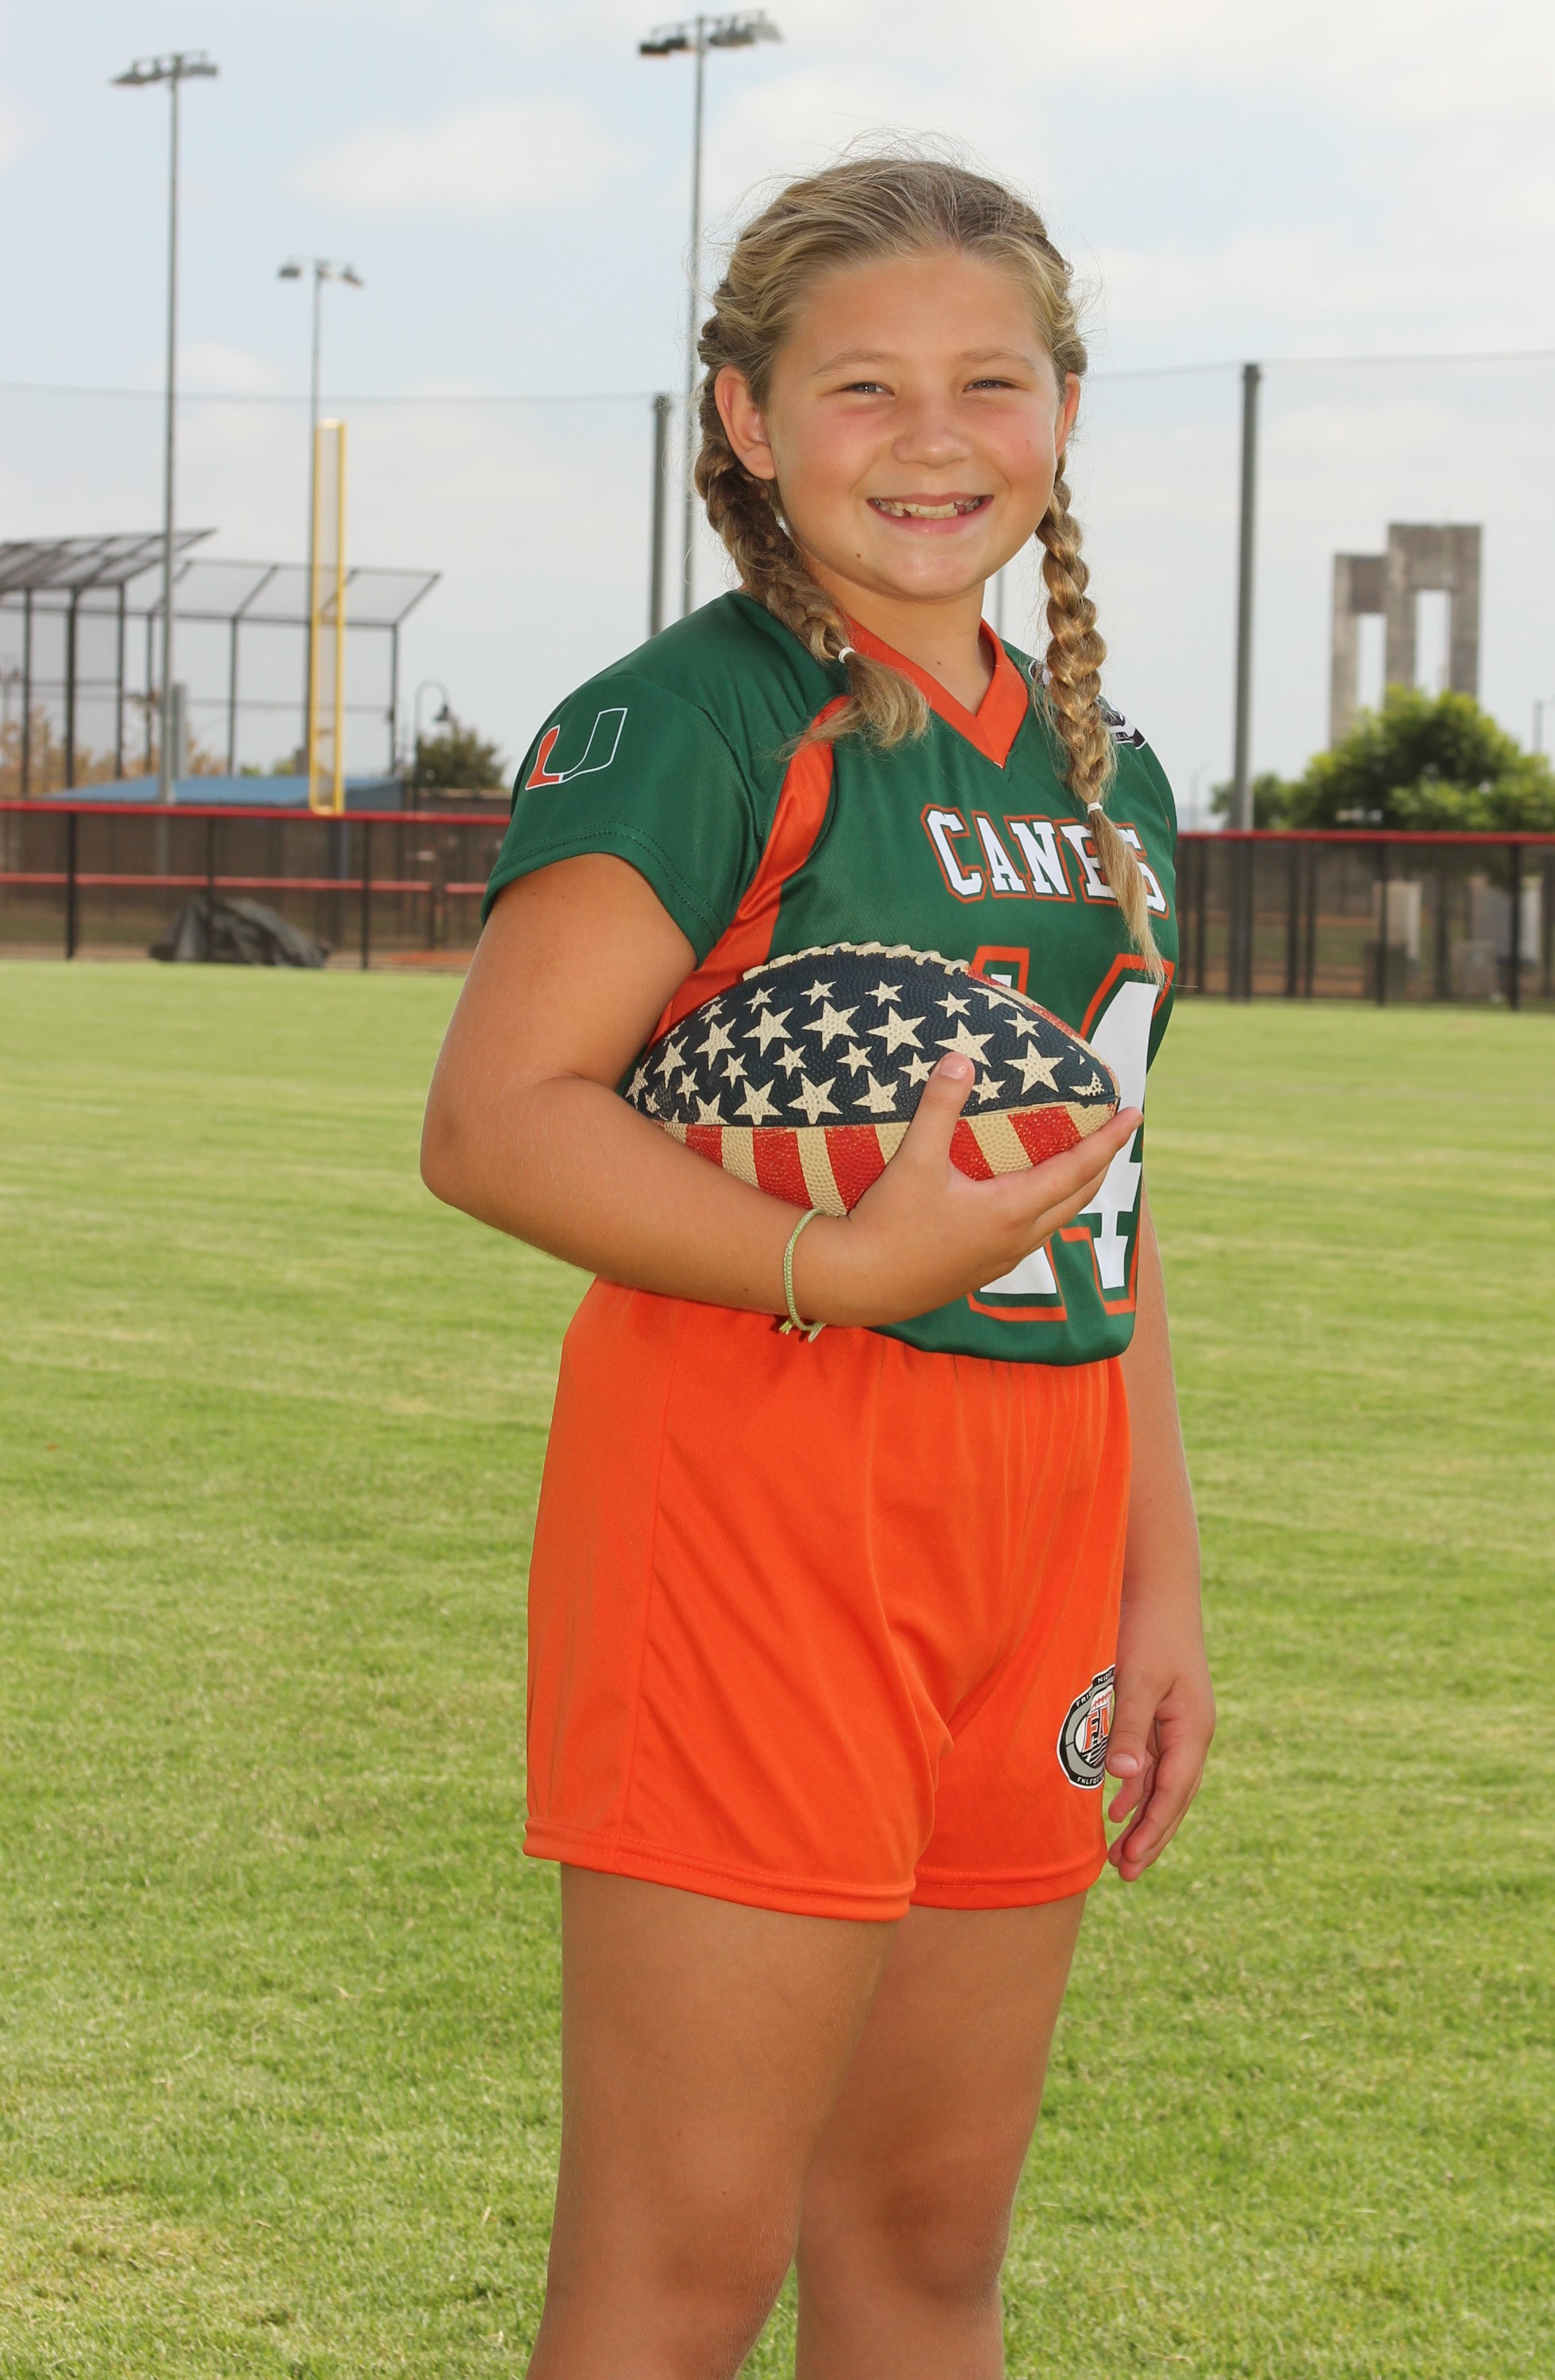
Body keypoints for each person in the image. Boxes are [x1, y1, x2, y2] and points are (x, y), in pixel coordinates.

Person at [421, 153, 1215, 2379]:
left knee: (926, 2247)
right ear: (748, 420)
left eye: (991, 382)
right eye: (863, 386)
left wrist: (1157, 1581)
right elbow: (495, 1119)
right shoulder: (702, 716)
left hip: (1035, 1536)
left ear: (1065, 411)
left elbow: (1112, 1205)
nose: (933, 439)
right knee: (683, 2277)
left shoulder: (1113, 772)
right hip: (755, 1508)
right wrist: (836, 1268)